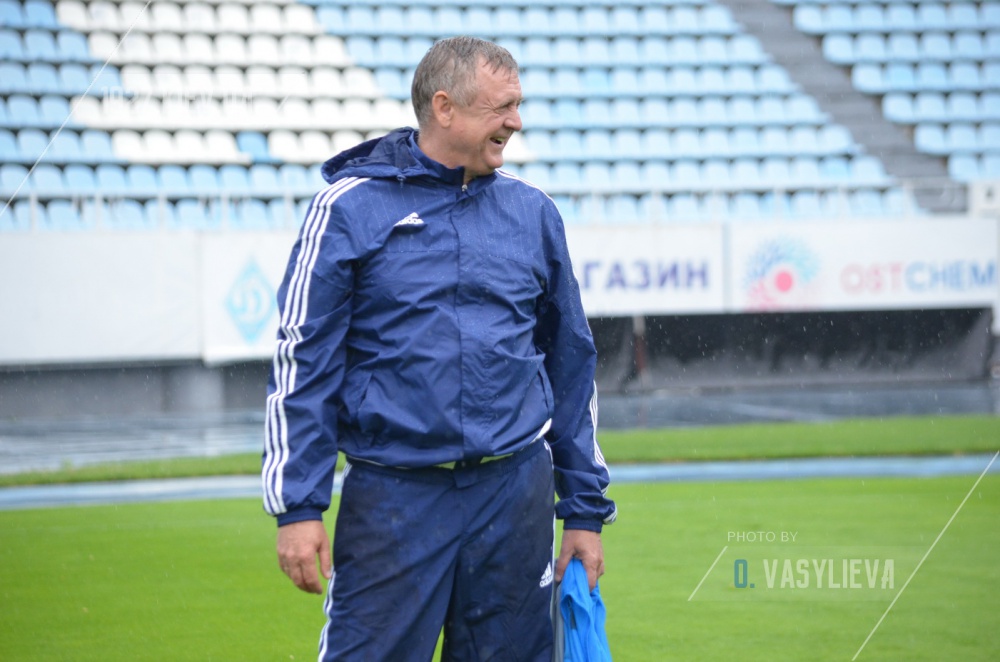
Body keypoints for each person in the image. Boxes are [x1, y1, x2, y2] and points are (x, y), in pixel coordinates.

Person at [262, 36, 616, 661]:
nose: (516, 121)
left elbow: (570, 366)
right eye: (501, 107)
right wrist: (298, 506)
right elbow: (303, 363)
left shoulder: (534, 212)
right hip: (395, 498)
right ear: (445, 108)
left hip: (514, 497)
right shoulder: (347, 209)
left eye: (518, 105)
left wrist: (584, 513)